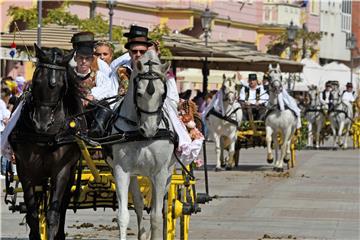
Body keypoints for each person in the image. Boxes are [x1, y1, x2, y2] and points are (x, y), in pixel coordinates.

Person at [112, 25, 203, 165]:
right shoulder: (120, 68)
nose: (138, 54)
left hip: (156, 106)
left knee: (173, 122)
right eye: (134, 51)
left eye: (141, 51)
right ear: (129, 51)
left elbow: (172, 97)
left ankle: (178, 147)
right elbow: (112, 91)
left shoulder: (160, 70)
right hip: (125, 110)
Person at [71, 32, 117, 137]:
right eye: (80, 58)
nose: (83, 62)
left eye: (87, 59)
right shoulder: (69, 74)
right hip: (72, 111)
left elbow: (107, 88)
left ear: (91, 60)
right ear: (75, 58)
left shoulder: (98, 75)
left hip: (91, 112)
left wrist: (92, 95)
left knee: (105, 105)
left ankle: (96, 133)